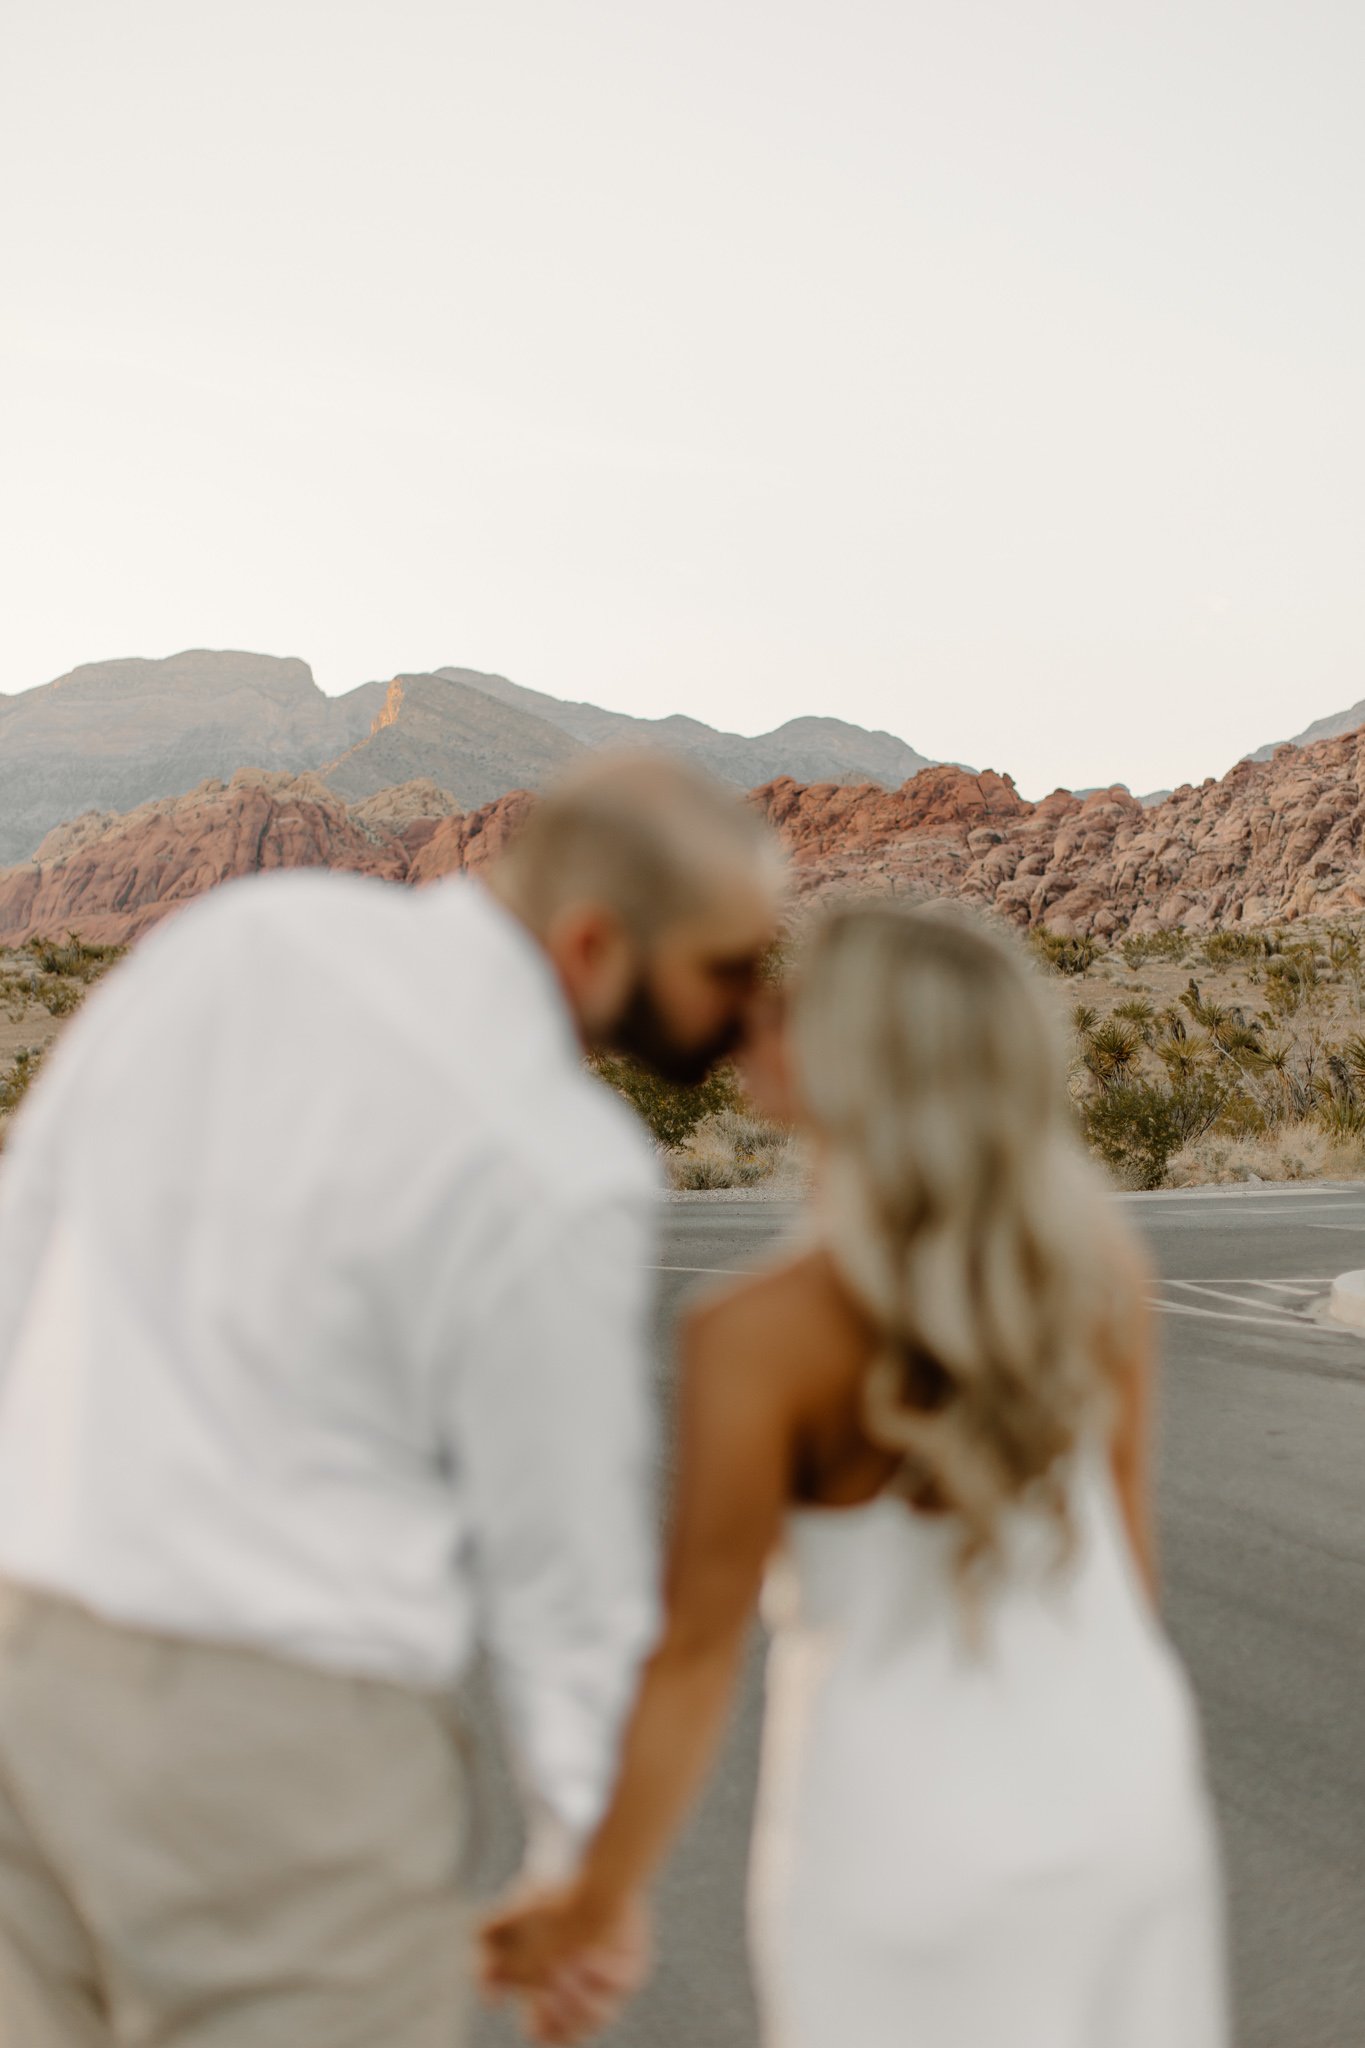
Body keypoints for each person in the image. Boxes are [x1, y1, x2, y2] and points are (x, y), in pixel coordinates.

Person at [0, 752, 782, 2048]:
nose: (749, 1013)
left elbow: (22, 1241)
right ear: (592, 945)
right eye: (726, 969)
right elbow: (561, 1556)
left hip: (27, 1677)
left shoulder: (237, 942)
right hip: (280, 1763)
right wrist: (583, 1866)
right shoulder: (556, 1153)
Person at [482, 903, 1229, 2048]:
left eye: (789, 1007)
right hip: (1126, 1804)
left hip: (899, 1844)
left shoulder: (755, 1333)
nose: (754, 1024)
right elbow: (1130, 1575)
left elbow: (693, 1657)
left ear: (859, 1057)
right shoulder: (1099, 1275)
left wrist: (594, 1898)